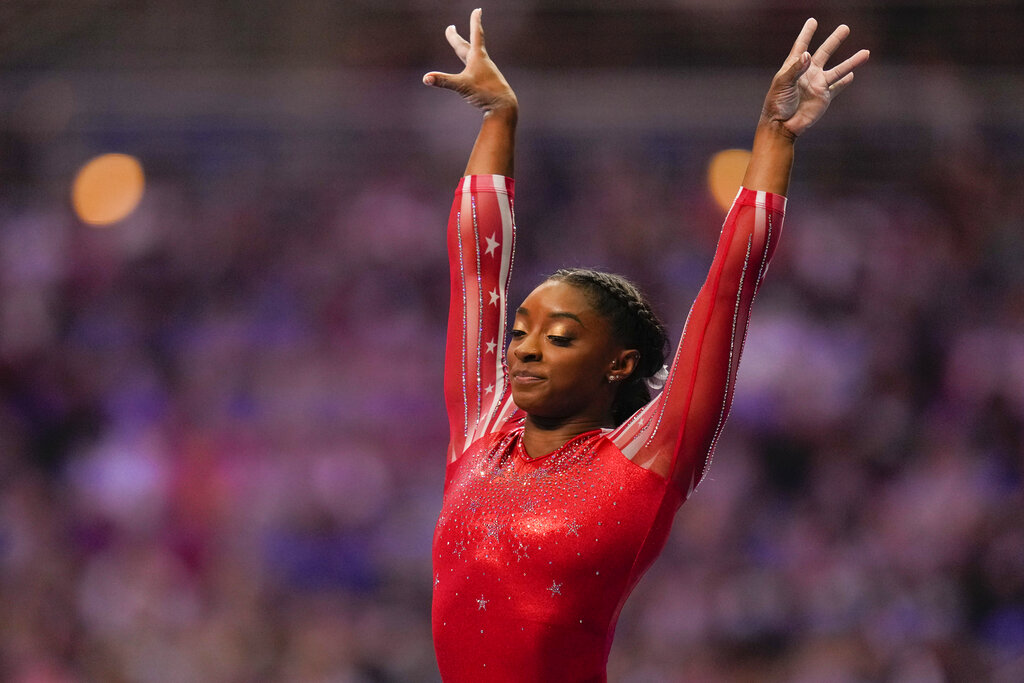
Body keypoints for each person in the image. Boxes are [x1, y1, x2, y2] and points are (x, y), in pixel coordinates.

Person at [423, 9, 869, 682]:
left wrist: (775, 136)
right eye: (520, 331)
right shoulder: (482, 428)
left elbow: (729, 290)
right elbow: (476, 271)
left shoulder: (645, 460)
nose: (524, 349)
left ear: (619, 364)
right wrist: (498, 119)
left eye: (559, 336)